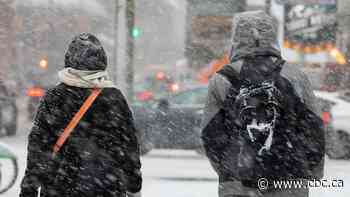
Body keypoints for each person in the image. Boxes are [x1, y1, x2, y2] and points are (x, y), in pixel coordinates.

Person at [201, 11, 325, 197]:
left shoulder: (222, 79)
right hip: (290, 179)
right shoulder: (295, 76)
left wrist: (228, 168)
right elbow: (314, 128)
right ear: (272, 36)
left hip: (238, 182)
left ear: (236, 38)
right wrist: (311, 171)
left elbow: (210, 134)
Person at [19, 33, 142, 197]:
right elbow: (128, 145)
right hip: (106, 187)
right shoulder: (113, 98)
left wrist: (29, 188)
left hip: (60, 187)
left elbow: (39, 147)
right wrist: (133, 183)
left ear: (69, 61)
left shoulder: (55, 97)